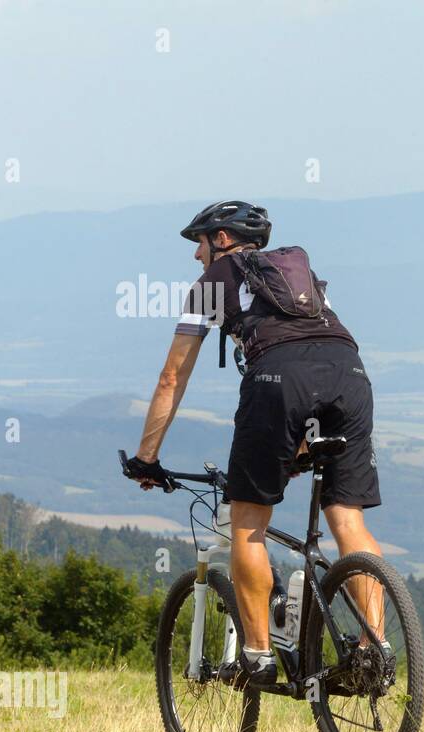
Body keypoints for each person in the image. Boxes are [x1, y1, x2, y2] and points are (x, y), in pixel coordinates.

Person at [123, 200, 384, 685]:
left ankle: (258, 656)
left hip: (278, 380)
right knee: (347, 519)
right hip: (351, 376)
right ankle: (376, 650)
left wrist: (146, 458)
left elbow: (172, 376)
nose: (195, 257)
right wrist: (298, 449)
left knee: (247, 521)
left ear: (220, 239)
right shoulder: (303, 280)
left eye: (198, 243)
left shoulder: (212, 283)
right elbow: (322, 360)